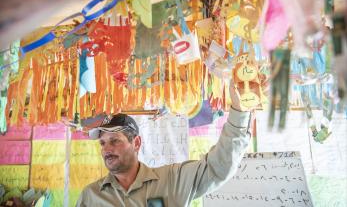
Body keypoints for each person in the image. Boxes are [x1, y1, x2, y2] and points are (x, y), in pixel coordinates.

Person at [76, 83, 252, 207]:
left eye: (114, 140)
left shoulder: (173, 180)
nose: (106, 149)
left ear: (136, 142)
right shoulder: (90, 196)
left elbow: (218, 168)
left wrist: (240, 111)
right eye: (102, 143)